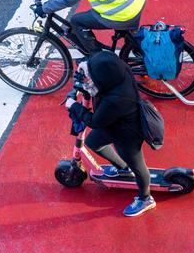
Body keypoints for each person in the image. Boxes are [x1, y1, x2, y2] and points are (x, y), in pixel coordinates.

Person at [65, 51, 156, 217]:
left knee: (138, 166)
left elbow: (95, 121)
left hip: (128, 133)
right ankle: (122, 168)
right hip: (114, 123)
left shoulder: (117, 99)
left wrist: (73, 106)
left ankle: (146, 198)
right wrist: (88, 78)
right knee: (93, 141)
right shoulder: (118, 73)